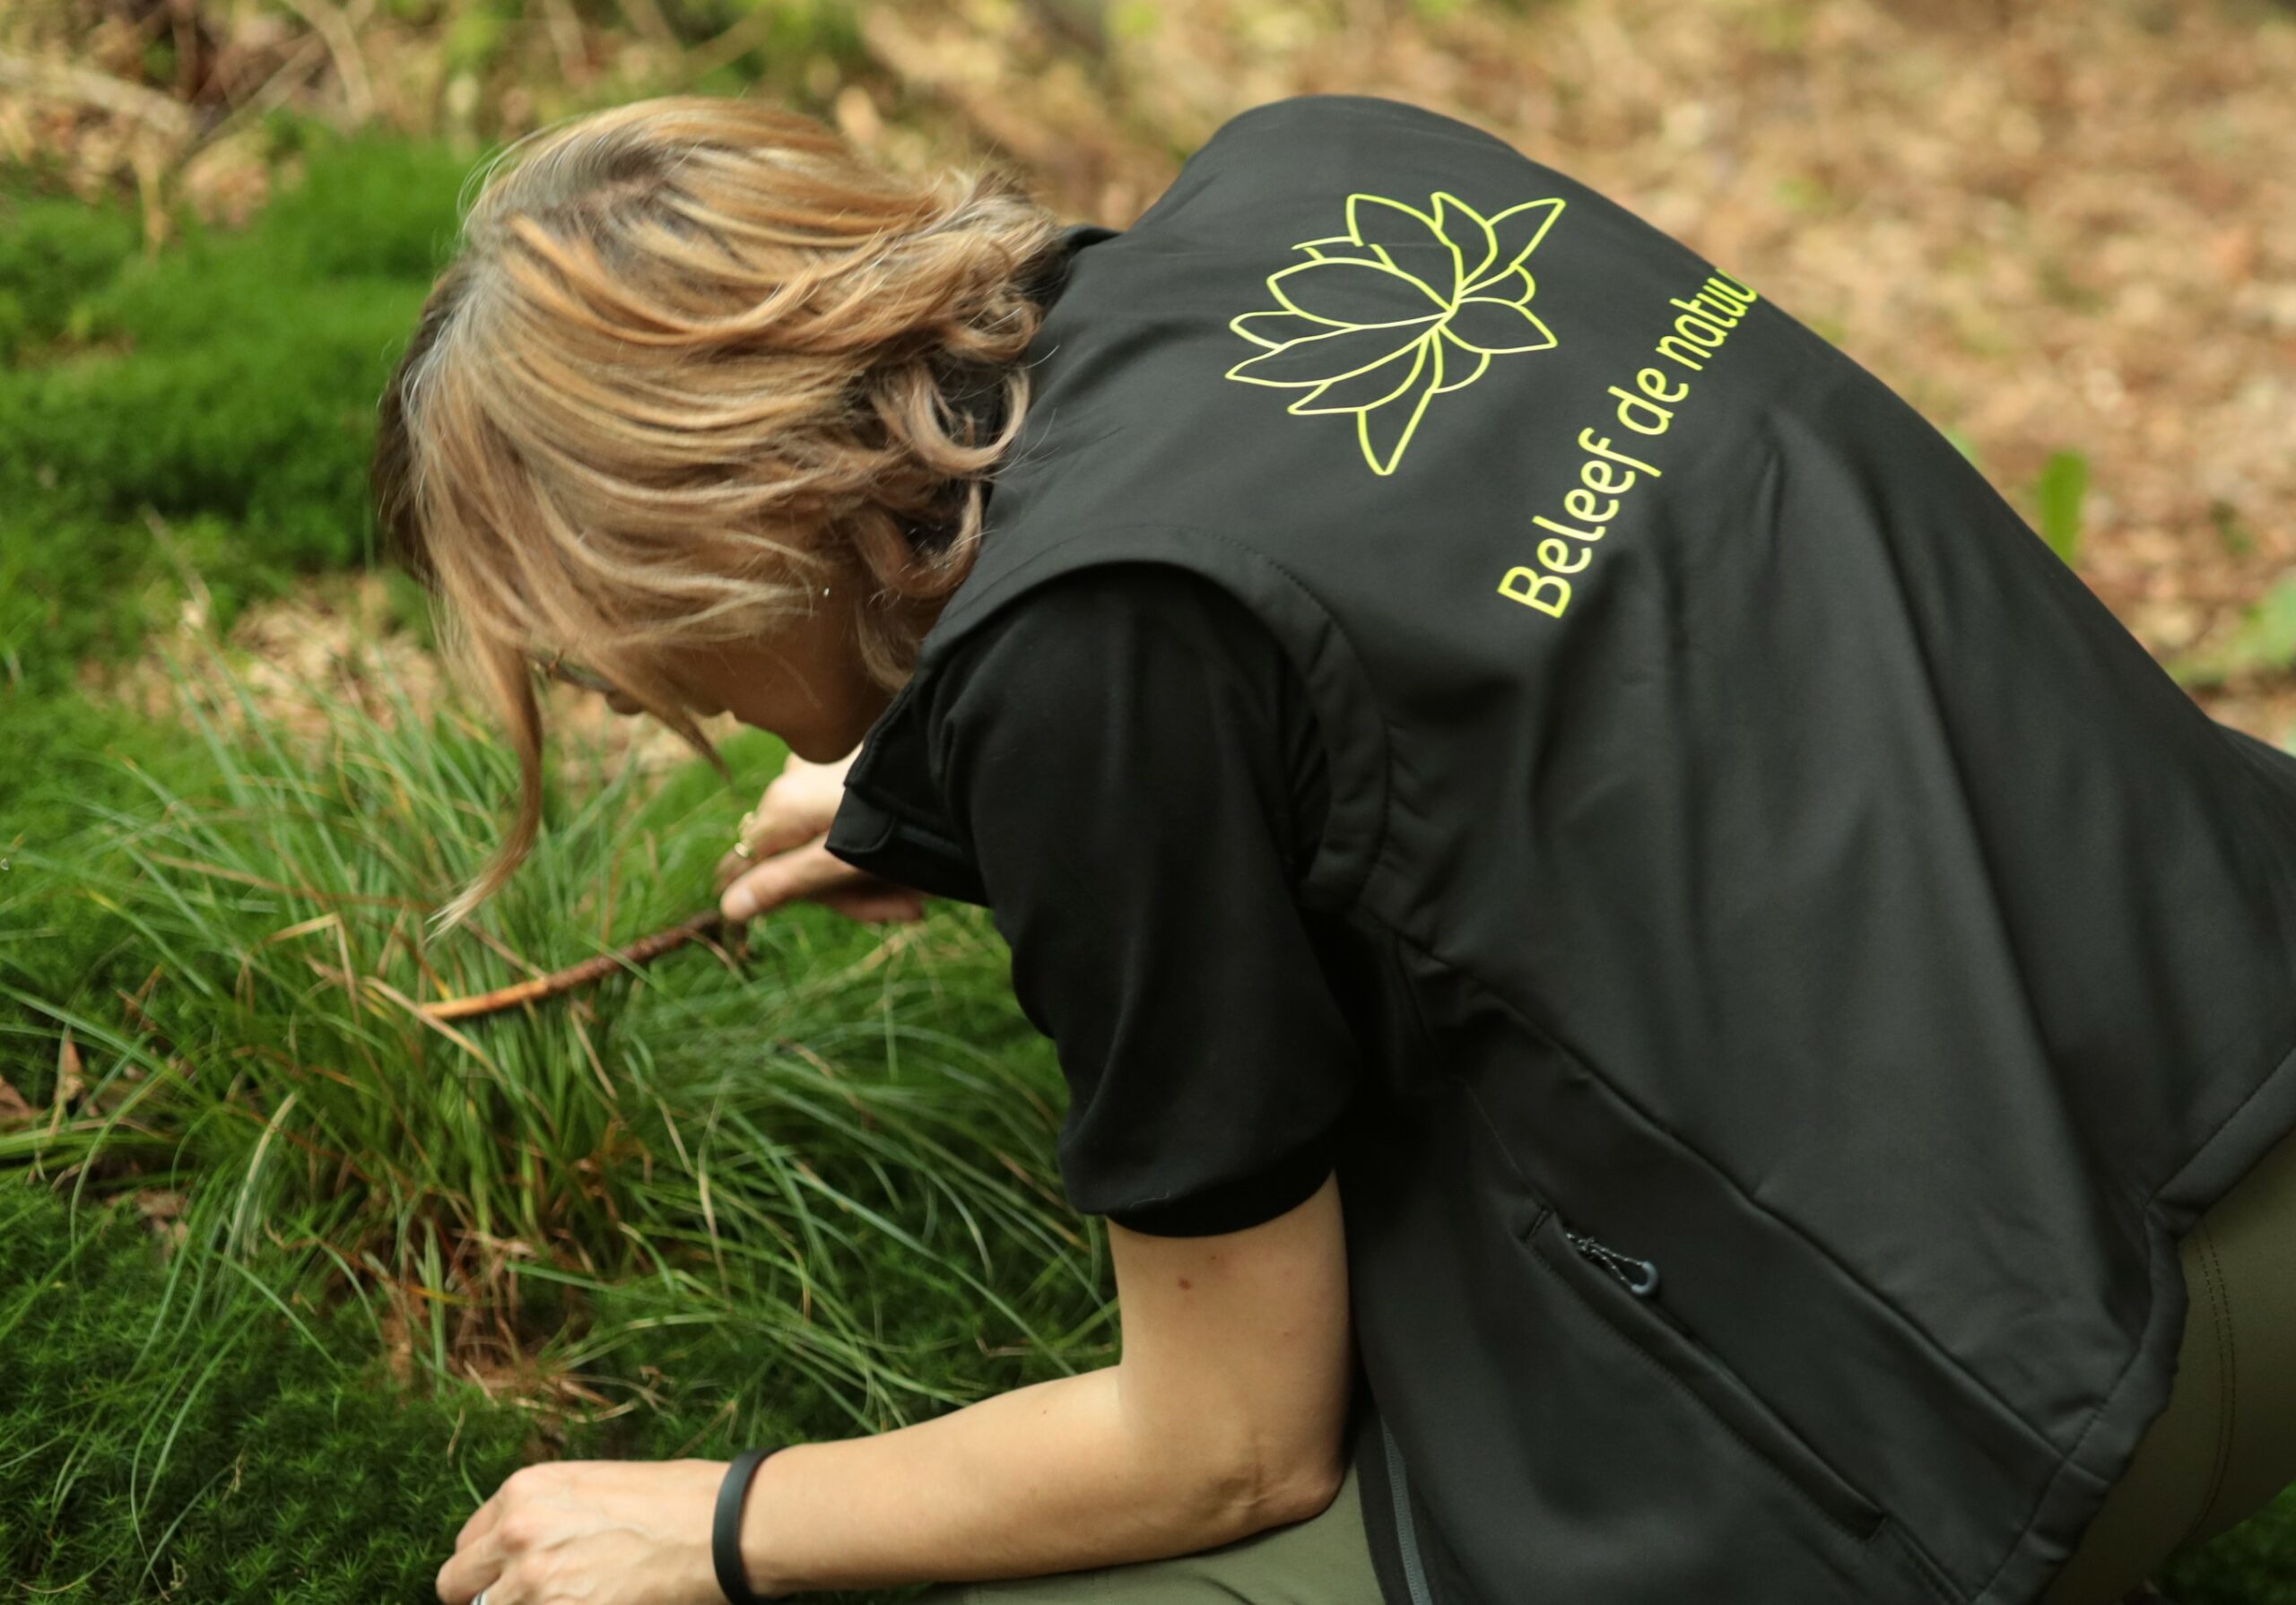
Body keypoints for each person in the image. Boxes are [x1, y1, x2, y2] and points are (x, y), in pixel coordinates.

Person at [373, 91, 2296, 1605]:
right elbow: (1427, 662)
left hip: (2044, 1388)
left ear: (714, 530)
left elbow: (1225, 1448)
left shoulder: (1087, 672)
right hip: (2240, 1020)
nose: (634, 696)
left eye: (609, 639)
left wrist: (715, 1523)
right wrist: (979, 803)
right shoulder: (1330, 174)